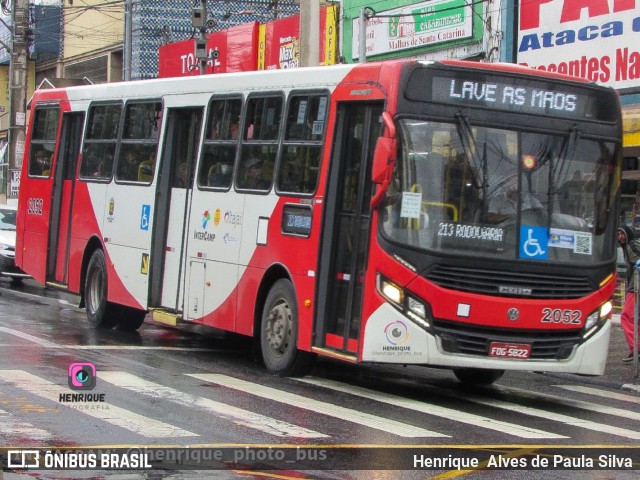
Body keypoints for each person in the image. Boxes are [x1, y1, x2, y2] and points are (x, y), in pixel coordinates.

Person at [617, 225, 640, 363]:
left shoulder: (631, 246)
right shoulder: (629, 246)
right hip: (635, 286)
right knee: (636, 318)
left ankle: (635, 348)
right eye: (618, 234)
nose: (620, 237)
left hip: (636, 288)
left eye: (622, 234)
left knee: (626, 316)